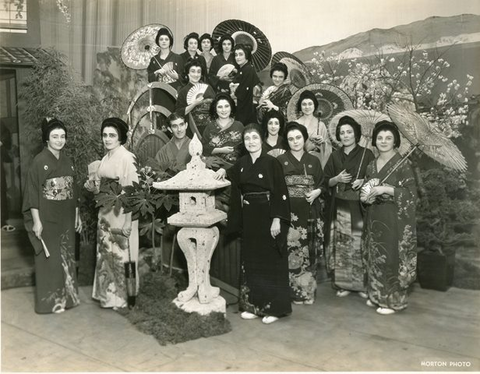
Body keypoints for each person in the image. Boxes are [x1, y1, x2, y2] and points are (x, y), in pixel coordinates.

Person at [215, 124, 291, 324]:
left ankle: (273, 309)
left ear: (261, 139)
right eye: (247, 138)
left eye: (255, 138)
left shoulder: (272, 163)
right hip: (250, 217)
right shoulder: (241, 163)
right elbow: (231, 175)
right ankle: (253, 306)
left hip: (268, 215)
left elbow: (280, 193)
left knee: (269, 260)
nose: (251, 142)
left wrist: (277, 219)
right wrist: (222, 170)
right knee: (251, 260)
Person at [22, 118, 82, 314]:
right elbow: (32, 193)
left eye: (62, 136)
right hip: (47, 216)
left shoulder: (67, 160)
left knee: (67, 255)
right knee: (50, 259)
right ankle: (51, 302)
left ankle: (69, 298)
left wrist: (77, 215)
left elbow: (74, 191)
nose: (59, 140)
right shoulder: (39, 162)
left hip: (65, 214)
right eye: (55, 136)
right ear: (47, 139)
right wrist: (36, 221)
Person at [361, 121, 417, 315]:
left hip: (394, 217)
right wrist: (366, 195)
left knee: (391, 256)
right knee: (375, 253)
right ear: (374, 141)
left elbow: (411, 195)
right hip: (374, 215)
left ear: (395, 142)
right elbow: (367, 191)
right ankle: (376, 295)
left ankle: (392, 300)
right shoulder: (370, 165)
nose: (383, 141)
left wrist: (387, 189)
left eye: (388, 138)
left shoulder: (403, 164)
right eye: (380, 138)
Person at [85, 118, 139, 309]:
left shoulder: (127, 158)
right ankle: (106, 295)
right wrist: (92, 186)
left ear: (121, 137)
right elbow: (98, 187)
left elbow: (131, 192)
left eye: (112, 135)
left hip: (122, 212)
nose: (107, 139)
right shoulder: (106, 158)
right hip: (106, 212)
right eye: (105, 135)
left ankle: (123, 297)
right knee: (106, 252)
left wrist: (128, 221)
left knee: (121, 254)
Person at [323, 116, 375, 299]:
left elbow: (376, 179)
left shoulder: (367, 155)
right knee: (342, 243)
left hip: (359, 205)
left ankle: (361, 284)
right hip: (340, 205)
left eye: (349, 132)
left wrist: (364, 181)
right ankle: (343, 283)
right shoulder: (335, 156)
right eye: (342, 132)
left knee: (359, 242)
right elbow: (325, 181)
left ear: (356, 134)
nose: (345, 136)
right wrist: (337, 179)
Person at [277, 122, 324, 304]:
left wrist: (317, 191)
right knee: (292, 252)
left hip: (310, 211)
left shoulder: (314, 160)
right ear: (286, 141)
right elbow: (277, 187)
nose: (295, 141)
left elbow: (321, 183)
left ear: (304, 138)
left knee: (309, 251)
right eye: (290, 139)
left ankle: (308, 292)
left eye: (298, 137)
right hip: (289, 212)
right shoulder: (280, 161)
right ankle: (294, 293)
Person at [201, 93, 244, 169]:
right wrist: (220, 150)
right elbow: (202, 148)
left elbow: (245, 148)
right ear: (215, 109)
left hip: (236, 168)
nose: (224, 110)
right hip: (214, 167)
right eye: (220, 107)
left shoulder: (239, 126)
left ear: (231, 107)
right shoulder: (210, 127)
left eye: (226, 106)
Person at [147, 28, 184, 116]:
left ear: (170, 42)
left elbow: (185, 76)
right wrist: (157, 72)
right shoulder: (154, 60)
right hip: (159, 93)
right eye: (161, 39)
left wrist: (177, 76)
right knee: (161, 120)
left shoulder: (177, 58)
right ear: (158, 42)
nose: (164, 41)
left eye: (166, 39)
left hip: (173, 93)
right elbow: (150, 78)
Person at [175, 59, 216, 136]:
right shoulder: (183, 91)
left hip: (210, 127)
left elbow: (215, 106)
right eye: (193, 71)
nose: (196, 75)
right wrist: (194, 104)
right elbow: (179, 112)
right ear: (188, 73)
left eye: (198, 72)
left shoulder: (208, 88)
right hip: (192, 128)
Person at [295, 90, 332, 169]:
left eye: (310, 104)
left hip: (316, 162)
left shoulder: (321, 125)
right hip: (299, 161)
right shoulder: (296, 124)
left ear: (314, 105)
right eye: (304, 104)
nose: (307, 107)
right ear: (300, 106)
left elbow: (328, 147)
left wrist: (323, 142)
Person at [231, 44, 261, 125]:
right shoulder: (243, 68)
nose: (238, 57)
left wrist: (234, 88)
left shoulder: (248, 69)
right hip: (243, 105)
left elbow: (243, 91)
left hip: (246, 106)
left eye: (241, 54)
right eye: (236, 55)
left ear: (246, 55)